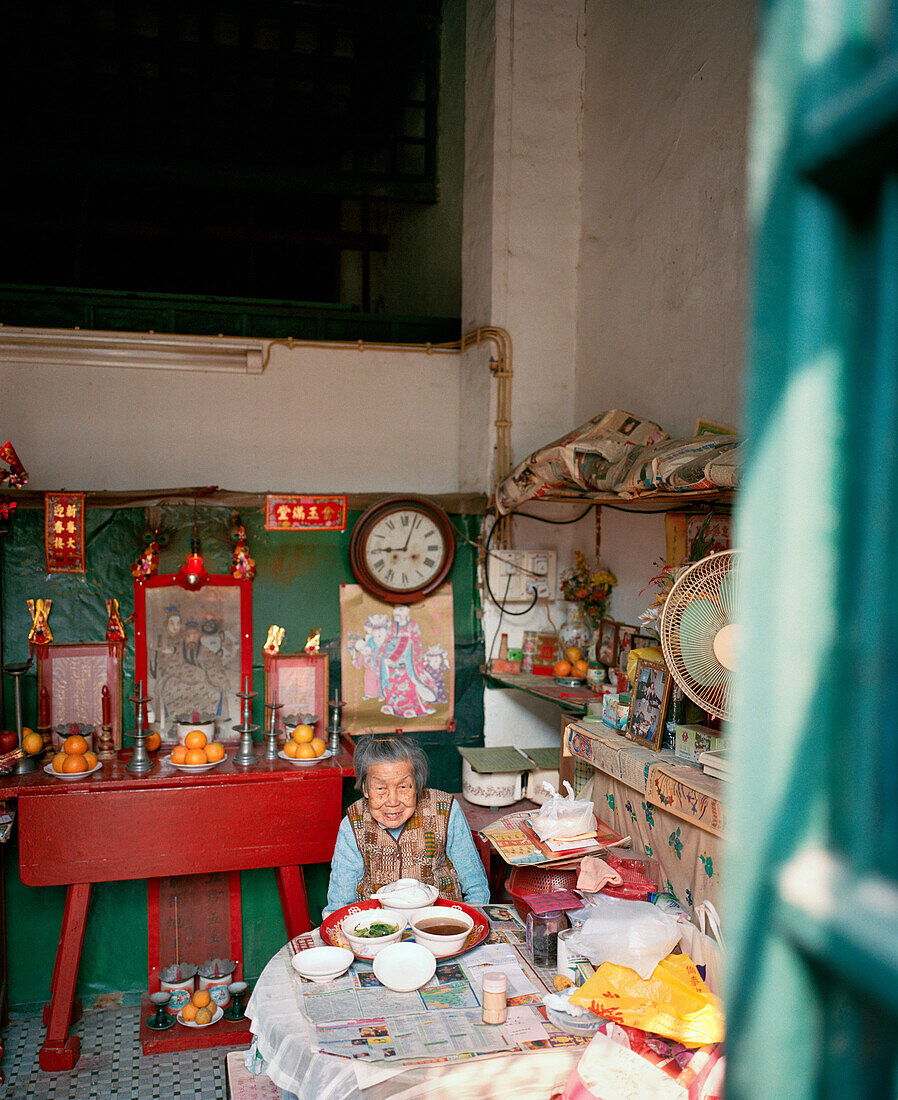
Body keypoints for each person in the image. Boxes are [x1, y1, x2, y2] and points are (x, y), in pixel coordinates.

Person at [324, 736, 490, 916]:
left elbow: (476, 888)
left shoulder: (445, 810)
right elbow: (340, 902)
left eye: (403, 787)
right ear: (365, 788)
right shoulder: (353, 823)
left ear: (417, 786)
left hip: (441, 923)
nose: (393, 801)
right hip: (377, 926)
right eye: (380, 788)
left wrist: (470, 924)